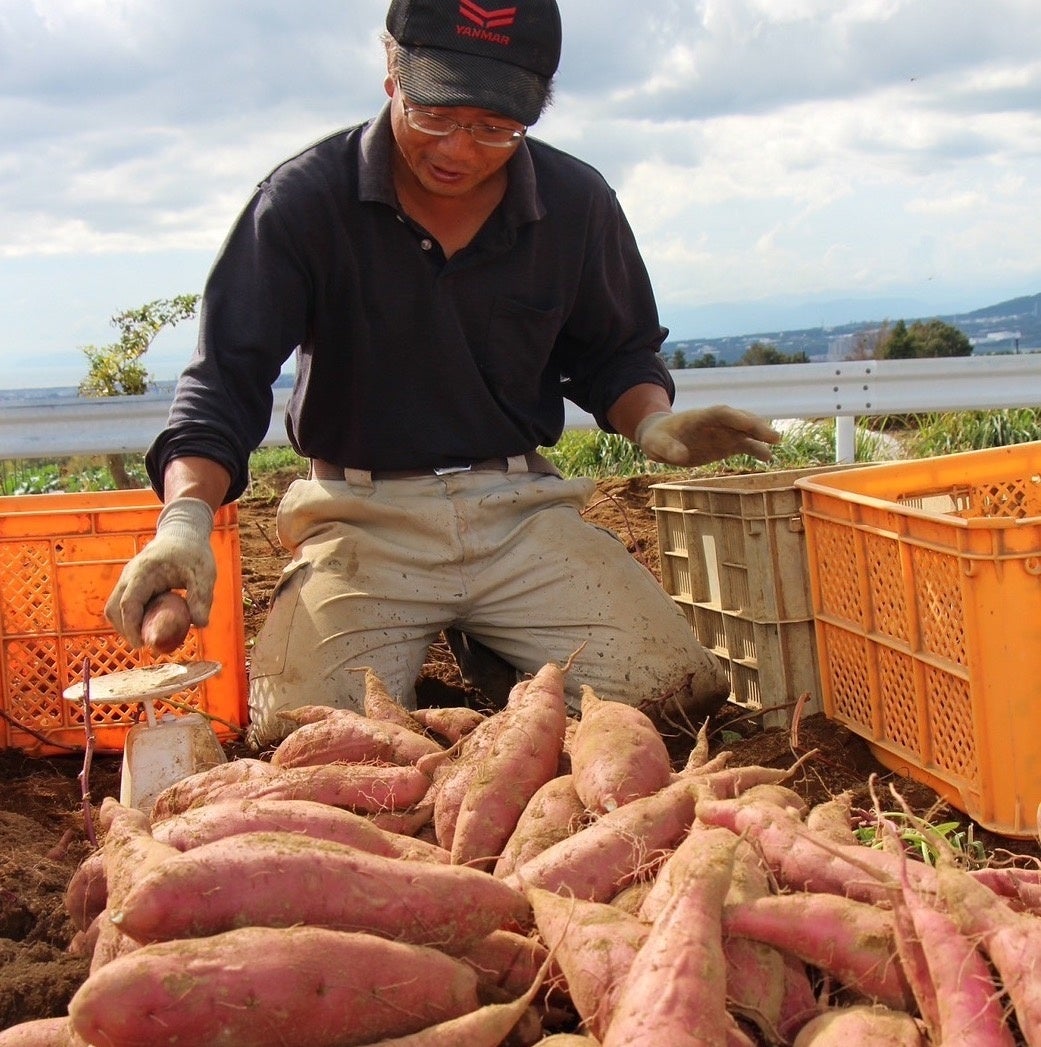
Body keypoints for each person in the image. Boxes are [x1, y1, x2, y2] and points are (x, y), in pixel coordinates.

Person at [105, 0, 780, 749]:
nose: (459, 148)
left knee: (675, 697)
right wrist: (185, 522)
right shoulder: (303, 202)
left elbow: (615, 352)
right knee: (299, 735)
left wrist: (652, 421)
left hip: (519, 513)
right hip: (361, 520)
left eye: (494, 127)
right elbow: (225, 379)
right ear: (392, 72)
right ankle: (487, 649)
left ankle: (502, 652)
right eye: (436, 114)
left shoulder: (576, 204)